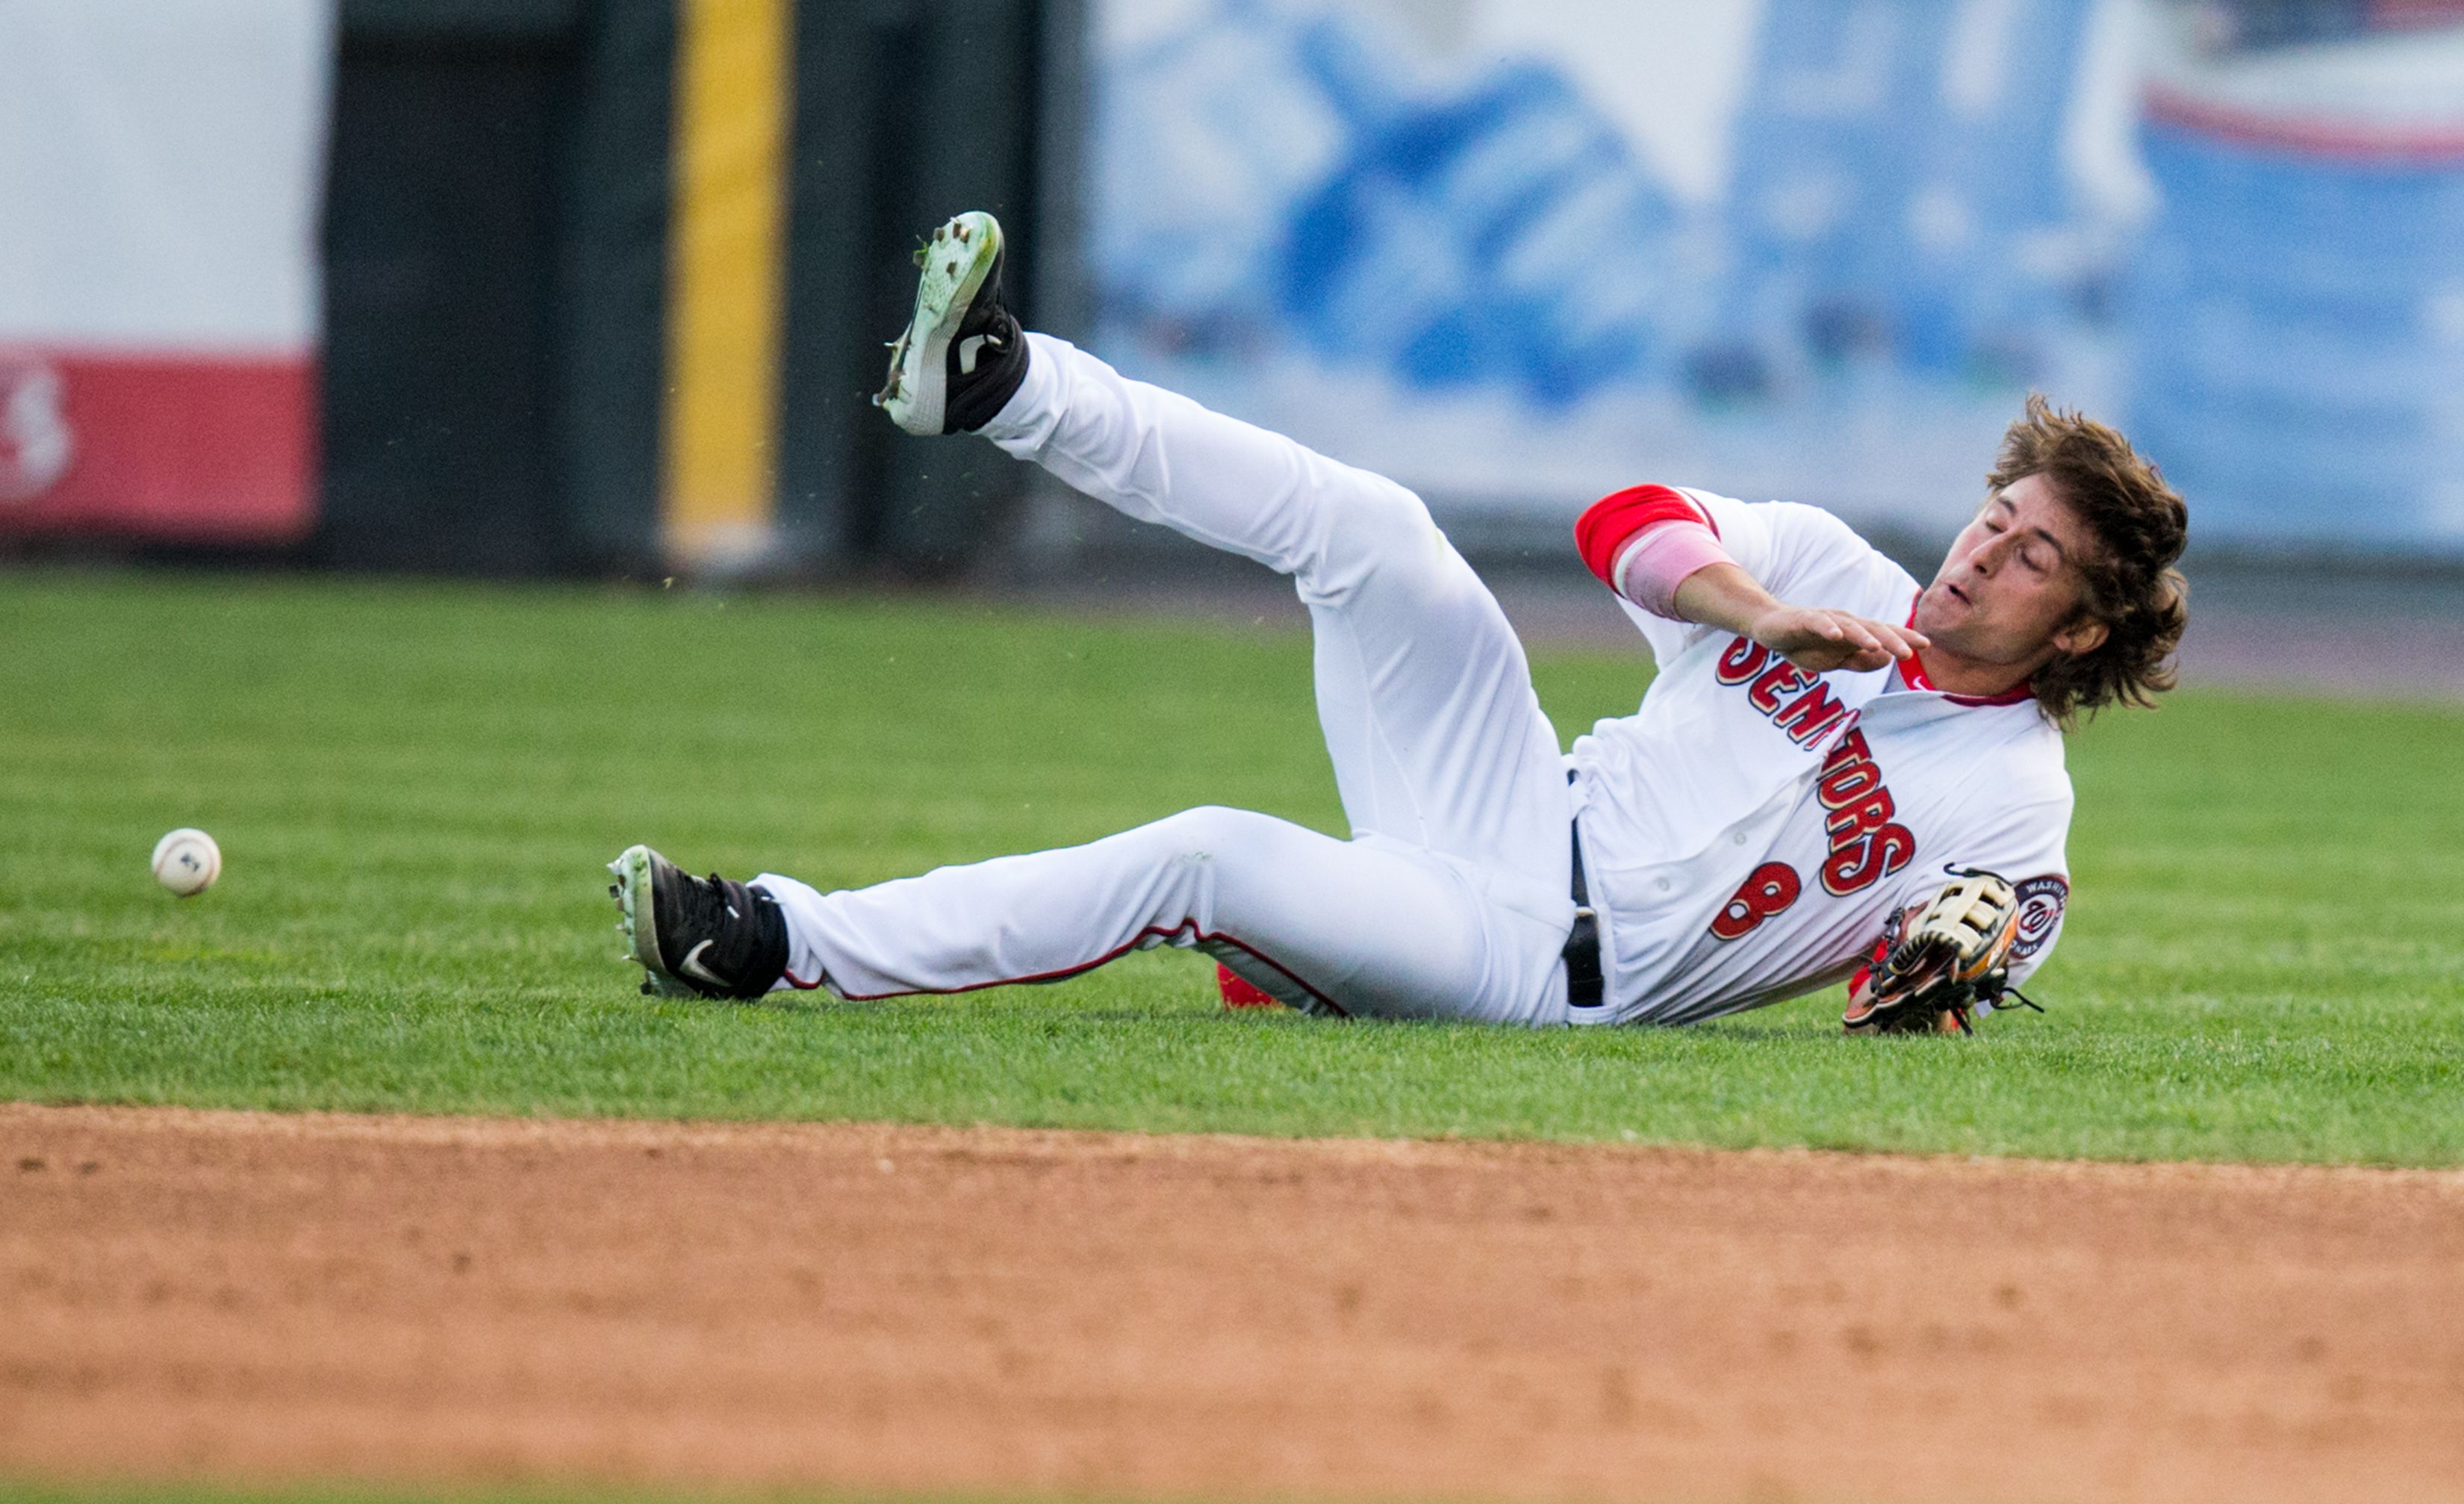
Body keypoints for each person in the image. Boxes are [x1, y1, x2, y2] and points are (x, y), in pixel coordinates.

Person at [609, 212, 2188, 1033]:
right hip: (1504, 795)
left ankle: (769, 939)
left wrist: (1934, 977)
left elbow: (1908, 1002)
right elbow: (1620, 527)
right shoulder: (1830, 570)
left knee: (1209, 853)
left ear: (2076, 634)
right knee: (1372, 530)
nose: (1986, 551)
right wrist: (1763, 611)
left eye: (2035, 556)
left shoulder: (2017, 808)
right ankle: (1007, 385)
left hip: (1539, 969)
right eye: (1999, 512)